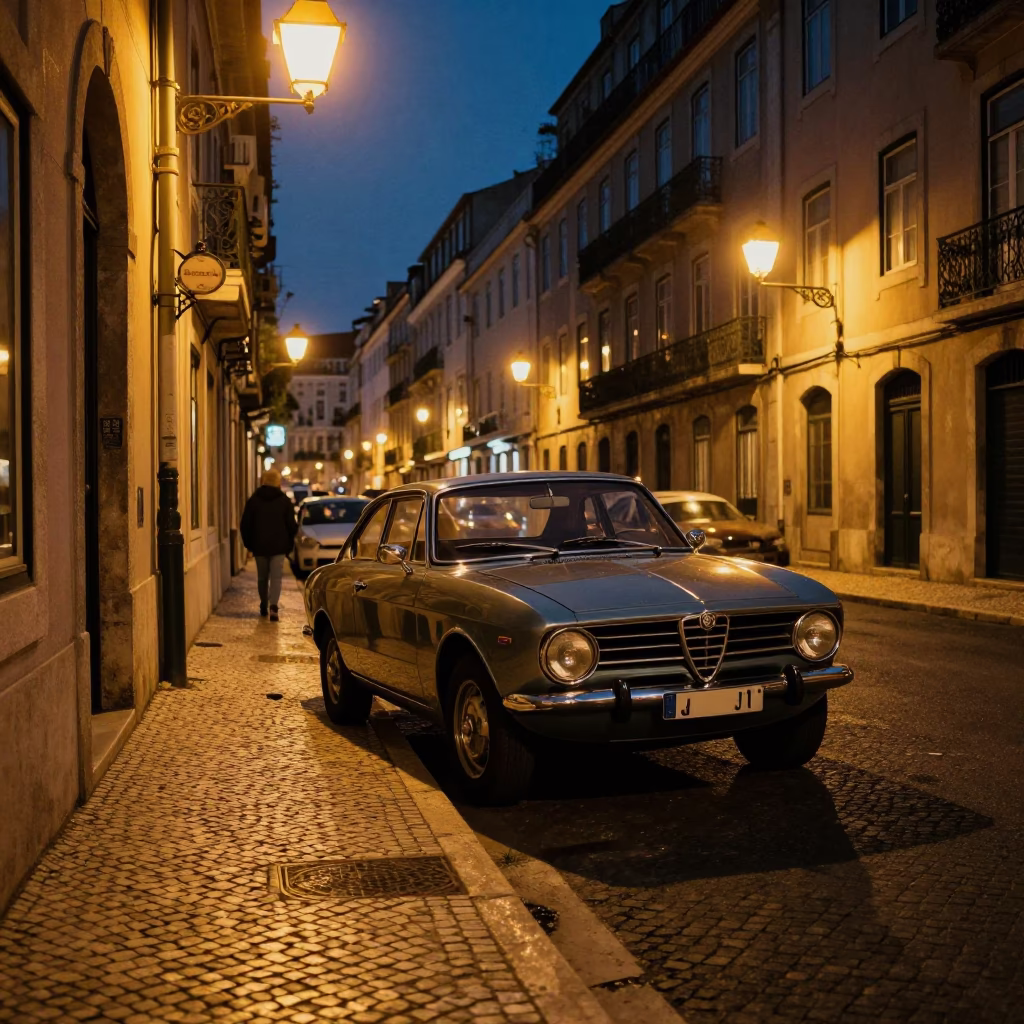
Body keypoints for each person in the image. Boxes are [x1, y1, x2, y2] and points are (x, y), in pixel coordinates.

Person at [239, 468, 298, 621]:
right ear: (278, 482)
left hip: (259, 545)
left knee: (262, 577)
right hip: (279, 546)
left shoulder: (254, 500)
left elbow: (245, 524)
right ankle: (274, 606)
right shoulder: (284, 501)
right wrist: (289, 543)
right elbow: (292, 525)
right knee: (276, 577)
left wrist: (249, 544)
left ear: (263, 481)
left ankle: (264, 604)